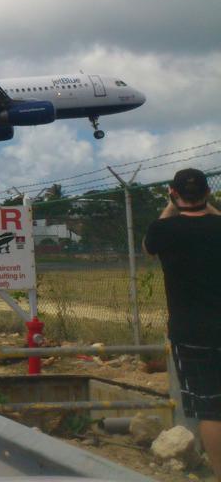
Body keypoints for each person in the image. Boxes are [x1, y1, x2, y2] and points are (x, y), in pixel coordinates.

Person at [145, 168, 221, 479]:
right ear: (208, 192)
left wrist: (171, 205)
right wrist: (210, 207)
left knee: (211, 410)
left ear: (173, 193)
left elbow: (149, 246)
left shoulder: (164, 231)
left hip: (191, 332)